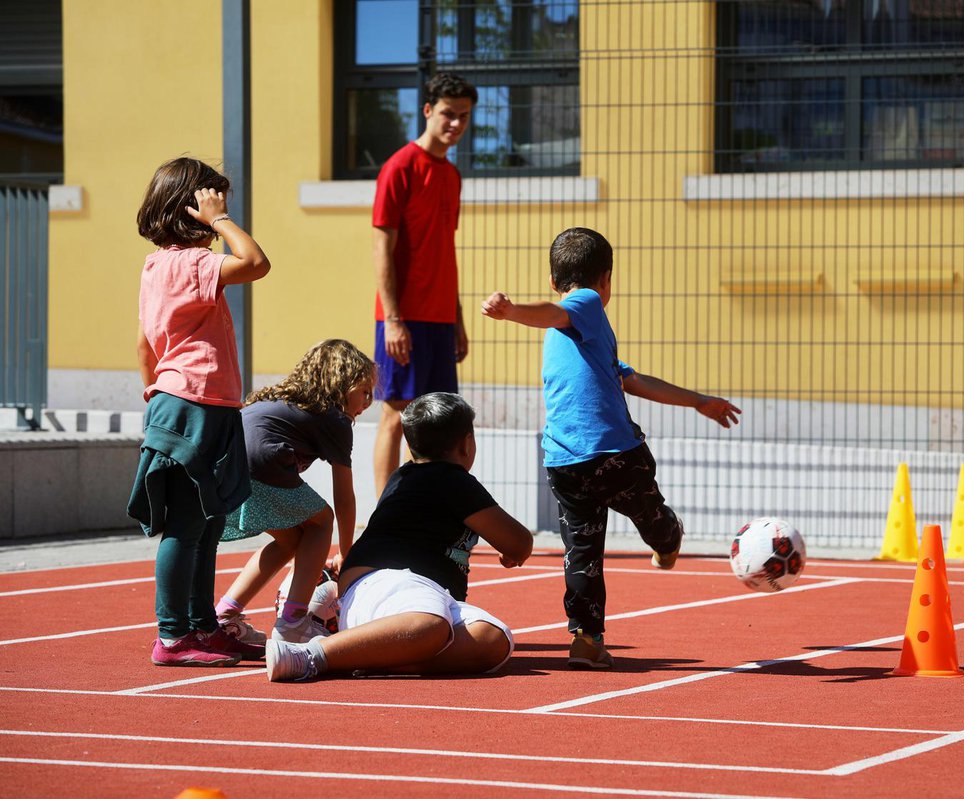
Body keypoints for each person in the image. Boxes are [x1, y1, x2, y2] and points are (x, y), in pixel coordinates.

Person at [480, 227, 742, 669]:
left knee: (582, 552)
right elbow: (554, 310)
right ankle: (667, 538)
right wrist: (511, 312)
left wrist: (699, 401)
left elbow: (633, 380)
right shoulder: (583, 303)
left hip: (565, 462)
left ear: (551, 277)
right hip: (615, 454)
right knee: (651, 516)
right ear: (606, 281)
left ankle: (585, 637)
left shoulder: (584, 336)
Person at [266, 392, 534, 682]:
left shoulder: (404, 477)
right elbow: (519, 543)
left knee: (493, 639)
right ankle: (312, 655)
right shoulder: (451, 478)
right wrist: (510, 551)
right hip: (393, 583)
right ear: (467, 444)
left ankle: (372, 656)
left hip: (411, 595)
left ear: (409, 444)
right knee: (430, 625)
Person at [128, 157, 271, 667]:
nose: (223, 210)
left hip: (188, 402)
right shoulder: (192, 263)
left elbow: (146, 348)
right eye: (215, 202)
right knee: (190, 525)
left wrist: (157, 396)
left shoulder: (155, 266)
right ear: (193, 210)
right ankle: (172, 637)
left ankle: (202, 627)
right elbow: (256, 263)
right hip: (195, 405)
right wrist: (223, 223)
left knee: (208, 523)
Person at [215, 339, 376, 646]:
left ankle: (224, 615)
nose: (368, 400)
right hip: (259, 461)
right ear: (339, 384)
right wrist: (347, 551)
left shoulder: (286, 400)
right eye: (363, 391)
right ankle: (293, 622)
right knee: (322, 520)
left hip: (224, 466)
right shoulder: (335, 419)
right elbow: (344, 497)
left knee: (292, 540)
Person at [371, 72, 478, 498]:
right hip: (403, 318)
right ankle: (382, 514)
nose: (456, 124)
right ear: (428, 110)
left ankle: (426, 505)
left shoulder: (451, 176)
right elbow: (381, 248)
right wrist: (393, 320)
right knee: (397, 414)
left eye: (465, 117)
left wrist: (458, 319)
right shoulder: (399, 167)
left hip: (438, 317)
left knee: (439, 421)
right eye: (449, 114)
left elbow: (443, 250)